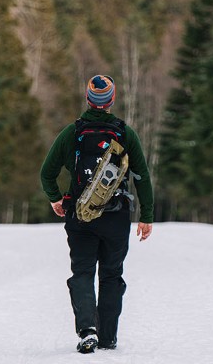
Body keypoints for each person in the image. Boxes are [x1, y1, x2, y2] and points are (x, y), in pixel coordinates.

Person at [40, 74, 154, 354]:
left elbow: (47, 173)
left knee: (82, 271)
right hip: (116, 216)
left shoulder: (72, 133)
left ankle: (87, 329)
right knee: (112, 275)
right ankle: (108, 337)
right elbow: (141, 176)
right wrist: (146, 215)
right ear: (112, 100)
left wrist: (56, 199)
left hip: (80, 216)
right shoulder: (125, 133)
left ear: (88, 99)